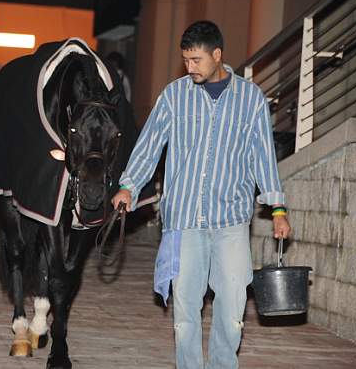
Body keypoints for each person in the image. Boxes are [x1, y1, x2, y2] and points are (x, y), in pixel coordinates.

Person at [111, 21, 291, 368]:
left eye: (196, 60)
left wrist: (279, 209)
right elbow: (149, 145)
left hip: (231, 221)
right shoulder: (174, 95)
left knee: (233, 307)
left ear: (217, 55)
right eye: (186, 61)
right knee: (185, 310)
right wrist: (128, 186)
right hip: (184, 220)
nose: (189, 67)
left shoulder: (250, 98)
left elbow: (262, 157)